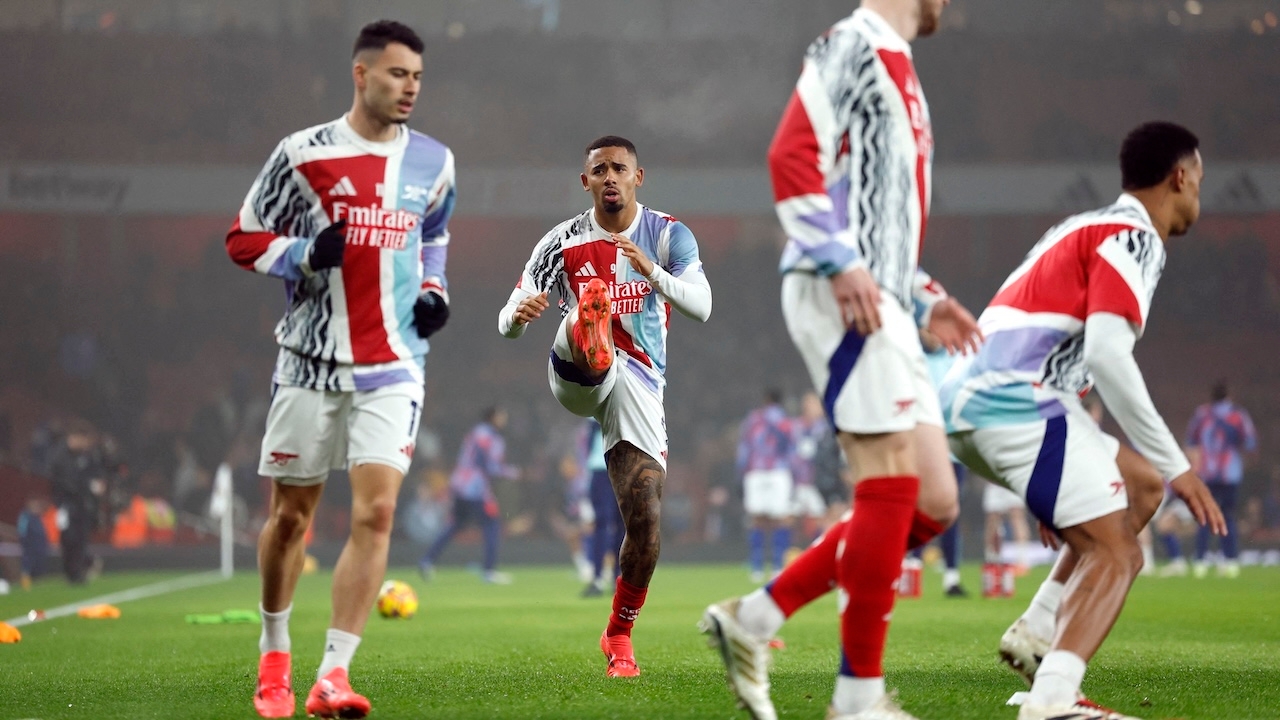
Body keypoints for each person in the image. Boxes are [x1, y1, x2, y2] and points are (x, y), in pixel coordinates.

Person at [700, 1, 985, 718]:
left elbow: (875, 211)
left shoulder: (897, 61)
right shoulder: (854, 41)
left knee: (934, 500)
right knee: (889, 480)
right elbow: (790, 155)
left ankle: (755, 618)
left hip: (885, 296)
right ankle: (857, 700)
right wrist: (837, 259)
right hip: (845, 294)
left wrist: (922, 297)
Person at [938, 122, 1226, 720]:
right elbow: (1107, 355)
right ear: (1180, 178)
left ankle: (1037, 632)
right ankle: (1053, 699)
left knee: (1140, 488)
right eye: (1199, 181)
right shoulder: (1134, 239)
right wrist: (1180, 466)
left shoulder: (1081, 226)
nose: (1199, 193)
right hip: (1015, 399)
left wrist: (1064, 480)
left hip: (972, 397)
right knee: (1119, 553)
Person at [225, 20, 455, 720]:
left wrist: (434, 289)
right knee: (290, 519)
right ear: (361, 74)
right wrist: (302, 254)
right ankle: (274, 655)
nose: (410, 87)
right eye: (397, 74)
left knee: (377, 513)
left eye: (417, 77)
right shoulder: (303, 154)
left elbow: (435, 232)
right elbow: (242, 237)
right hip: (310, 362)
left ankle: (333, 675)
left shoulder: (435, 161)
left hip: (395, 363)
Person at [498, 135, 712, 678]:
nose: (610, 177)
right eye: (600, 170)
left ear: (638, 177)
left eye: (620, 168)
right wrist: (518, 316)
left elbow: (703, 307)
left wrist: (653, 272)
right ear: (586, 181)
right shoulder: (562, 241)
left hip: (639, 379)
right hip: (576, 370)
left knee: (646, 519)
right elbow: (507, 323)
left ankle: (618, 633)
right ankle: (589, 328)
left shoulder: (668, 234)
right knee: (583, 320)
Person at [419, 407, 519, 584]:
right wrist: (513, 473)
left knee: (455, 524)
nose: (504, 419)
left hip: (459, 483)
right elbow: (490, 466)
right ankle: (489, 571)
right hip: (475, 488)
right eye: (502, 415)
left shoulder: (474, 433)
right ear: (493, 417)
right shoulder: (491, 437)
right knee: (492, 524)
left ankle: (427, 560)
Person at [1183, 381, 1256, 578]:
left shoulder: (1202, 414)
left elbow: (1190, 442)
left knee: (1204, 517)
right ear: (1229, 395)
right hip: (1230, 475)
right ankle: (1230, 561)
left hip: (1207, 474)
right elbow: (1250, 442)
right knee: (1228, 516)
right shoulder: (1238, 415)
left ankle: (1200, 561)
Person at [737, 390, 797, 582]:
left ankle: (757, 567)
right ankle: (778, 566)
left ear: (765, 400)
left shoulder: (753, 419)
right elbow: (792, 448)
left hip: (756, 471)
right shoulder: (786, 421)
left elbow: (744, 448)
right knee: (781, 518)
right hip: (779, 472)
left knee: (757, 519)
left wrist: (741, 473)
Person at [48, 421, 106, 586]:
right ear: (74, 437)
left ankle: (78, 572)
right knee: (69, 538)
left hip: (82, 504)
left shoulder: (86, 455)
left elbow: (95, 473)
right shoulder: (60, 456)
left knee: (81, 538)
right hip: (66, 505)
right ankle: (72, 571)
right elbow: (66, 482)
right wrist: (89, 486)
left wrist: (98, 484)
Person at [581, 419, 623, 597]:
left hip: (619, 466)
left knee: (618, 525)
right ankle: (601, 577)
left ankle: (614, 578)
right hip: (606, 466)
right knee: (605, 524)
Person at [790, 391, 831, 543]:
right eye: (808, 403)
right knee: (791, 518)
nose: (811, 407)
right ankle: (789, 551)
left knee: (821, 516)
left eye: (814, 403)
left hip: (819, 481)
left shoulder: (826, 428)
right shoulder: (795, 426)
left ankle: (819, 547)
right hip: (796, 480)